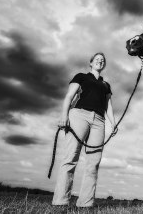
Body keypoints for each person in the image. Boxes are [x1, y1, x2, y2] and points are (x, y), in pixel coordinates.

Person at [52, 52, 116, 207]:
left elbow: (108, 106)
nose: (100, 61)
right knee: (70, 158)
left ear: (103, 65)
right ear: (91, 63)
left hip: (99, 121)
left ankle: (85, 204)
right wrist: (64, 115)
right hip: (79, 115)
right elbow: (69, 96)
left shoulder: (106, 85)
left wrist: (113, 124)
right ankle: (60, 202)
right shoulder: (81, 76)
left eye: (102, 60)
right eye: (97, 59)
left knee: (93, 163)